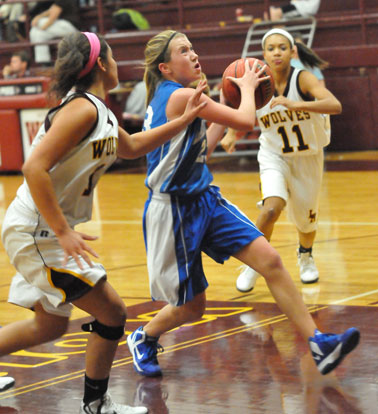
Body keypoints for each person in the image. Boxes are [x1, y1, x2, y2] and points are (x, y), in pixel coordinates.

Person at [126, 29, 360, 380]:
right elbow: (247, 121)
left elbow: (202, 148)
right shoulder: (177, 97)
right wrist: (246, 90)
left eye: (192, 47)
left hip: (204, 198)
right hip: (172, 209)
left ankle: (319, 341)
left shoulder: (183, 95)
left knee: (271, 260)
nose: (193, 54)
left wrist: (228, 103)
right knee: (192, 308)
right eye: (183, 51)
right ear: (166, 68)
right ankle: (144, 337)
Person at [0, 31, 206, 413]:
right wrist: (62, 230)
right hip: (37, 231)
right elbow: (33, 167)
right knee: (112, 311)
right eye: (112, 57)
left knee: (48, 327)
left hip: (40, 228)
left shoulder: (100, 110)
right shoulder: (82, 109)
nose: (118, 64)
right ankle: (97, 406)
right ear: (100, 63)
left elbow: (131, 147)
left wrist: (186, 119)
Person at [232, 27, 337, 292]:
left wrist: (297, 104)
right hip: (273, 155)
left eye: (282, 47)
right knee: (270, 209)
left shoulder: (304, 79)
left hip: (308, 158)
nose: (276, 52)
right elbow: (245, 113)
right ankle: (253, 264)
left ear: (292, 52)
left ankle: (305, 255)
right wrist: (232, 133)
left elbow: (334, 105)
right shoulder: (257, 82)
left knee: (306, 221)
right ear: (264, 54)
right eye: (271, 48)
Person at [29, 0, 79, 65]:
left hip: (70, 26)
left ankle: (44, 63)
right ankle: (44, 63)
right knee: (38, 34)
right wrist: (38, 17)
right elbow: (51, 10)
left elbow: (53, 16)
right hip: (61, 25)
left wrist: (42, 28)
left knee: (39, 24)